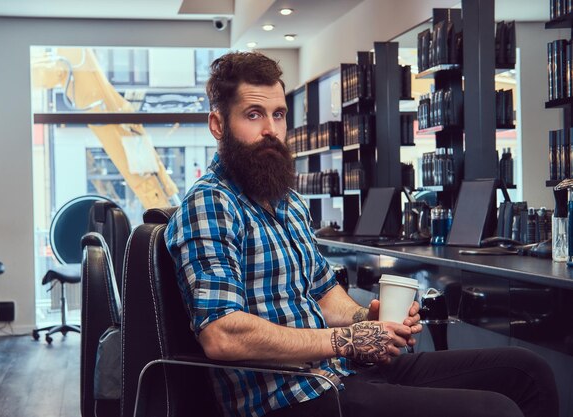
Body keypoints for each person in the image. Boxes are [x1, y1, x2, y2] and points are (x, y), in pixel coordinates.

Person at [165, 51, 558, 417]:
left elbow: (323, 292)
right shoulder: (211, 204)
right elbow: (222, 334)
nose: (272, 130)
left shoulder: (285, 201)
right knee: (495, 411)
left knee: (527, 370)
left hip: (341, 373)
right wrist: (346, 340)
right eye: (254, 115)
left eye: (279, 114)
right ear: (218, 125)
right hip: (291, 396)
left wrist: (367, 320)